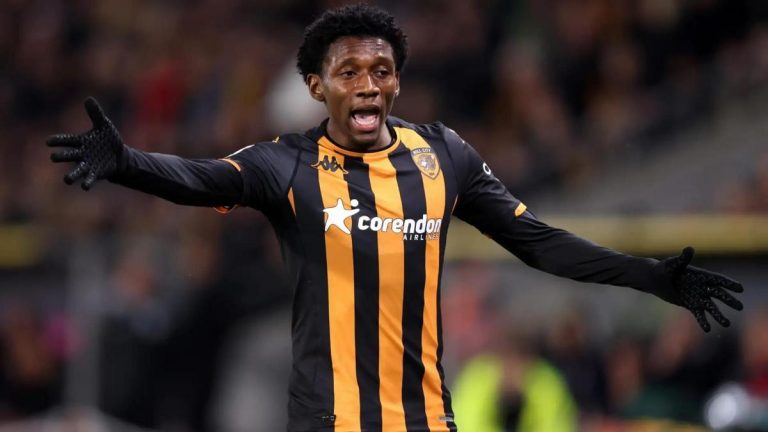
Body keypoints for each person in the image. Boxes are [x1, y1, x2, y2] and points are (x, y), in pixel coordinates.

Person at [46, 4, 744, 432]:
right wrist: (127, 162)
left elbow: (537, 242)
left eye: (380, 70)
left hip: (426, 421)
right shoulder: (286, 164)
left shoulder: (445, 156)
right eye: (348, 71)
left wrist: (651, 276)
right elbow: (200, 180)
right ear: (317, 86)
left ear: (398, 80)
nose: (368, 84)